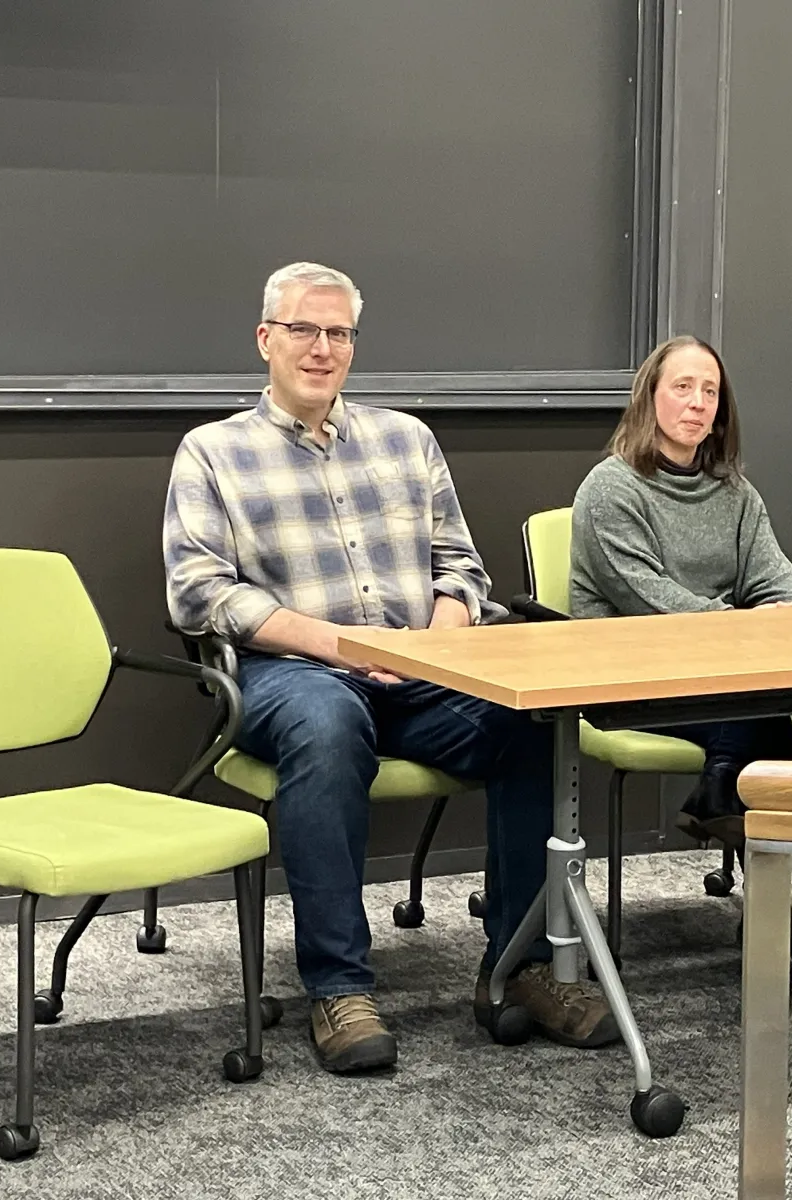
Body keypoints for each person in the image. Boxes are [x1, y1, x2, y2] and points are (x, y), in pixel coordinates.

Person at [164, 262, 616, 1073]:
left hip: (421, 667)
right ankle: (339, 987)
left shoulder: (408, 440)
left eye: (338, 333)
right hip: (292, 672)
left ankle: (520, 967)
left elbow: (461, 567)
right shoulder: (213, 453)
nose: (322, 348)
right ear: (266, 339)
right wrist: (341, 645)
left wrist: (438, 639)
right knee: (327, 724)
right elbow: (199, 596)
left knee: (534, 716)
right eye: (304, 329)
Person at [570, 334, 792, 992]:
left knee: (762, 715)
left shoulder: (735, 492)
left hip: (721, 682)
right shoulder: (610, 489)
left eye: (710, 391)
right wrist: (740, 627)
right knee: (765, 717)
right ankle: (770, 923)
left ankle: (722, 794)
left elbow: (784, 589)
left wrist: (777, 620)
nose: (698, 402)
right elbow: (649, 602)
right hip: (627, 679)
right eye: (683, 386)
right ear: (649, 397)